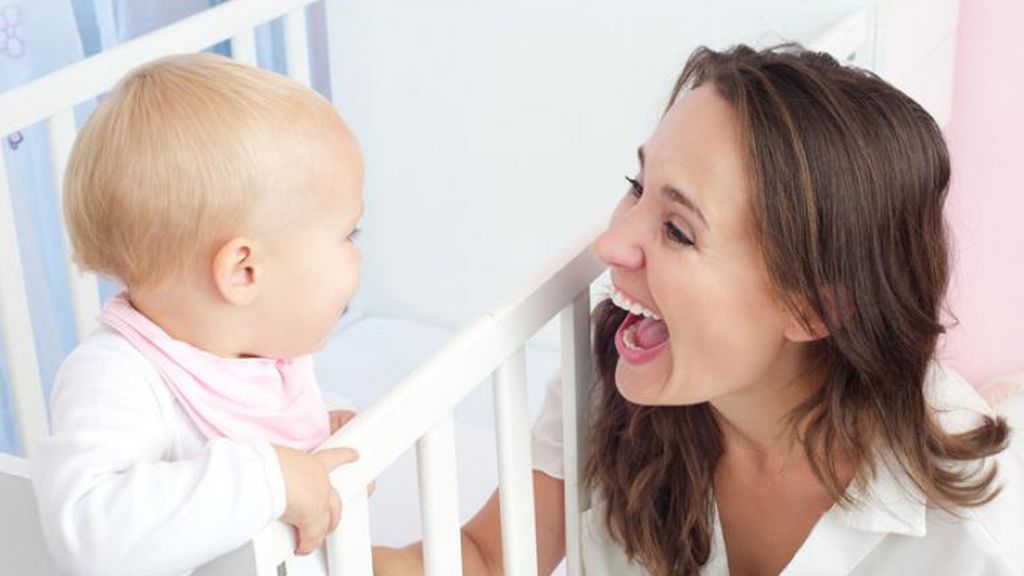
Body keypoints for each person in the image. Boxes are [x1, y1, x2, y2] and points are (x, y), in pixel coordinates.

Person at [373, 44, 1024, 575]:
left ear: (813, 309)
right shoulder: (614, 382)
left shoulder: (974, 539)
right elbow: (487, 557)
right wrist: (287, 505)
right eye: (637, 187)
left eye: (678, 230)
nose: (610, 244)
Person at [32, 52, 364, 576]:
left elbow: (263, 411)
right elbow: (89, 532)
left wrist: (324, 429)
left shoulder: (259, 346)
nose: (359, 255)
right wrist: (270, 478)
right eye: (348, 234)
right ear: (244, 272)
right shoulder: (116, 376)